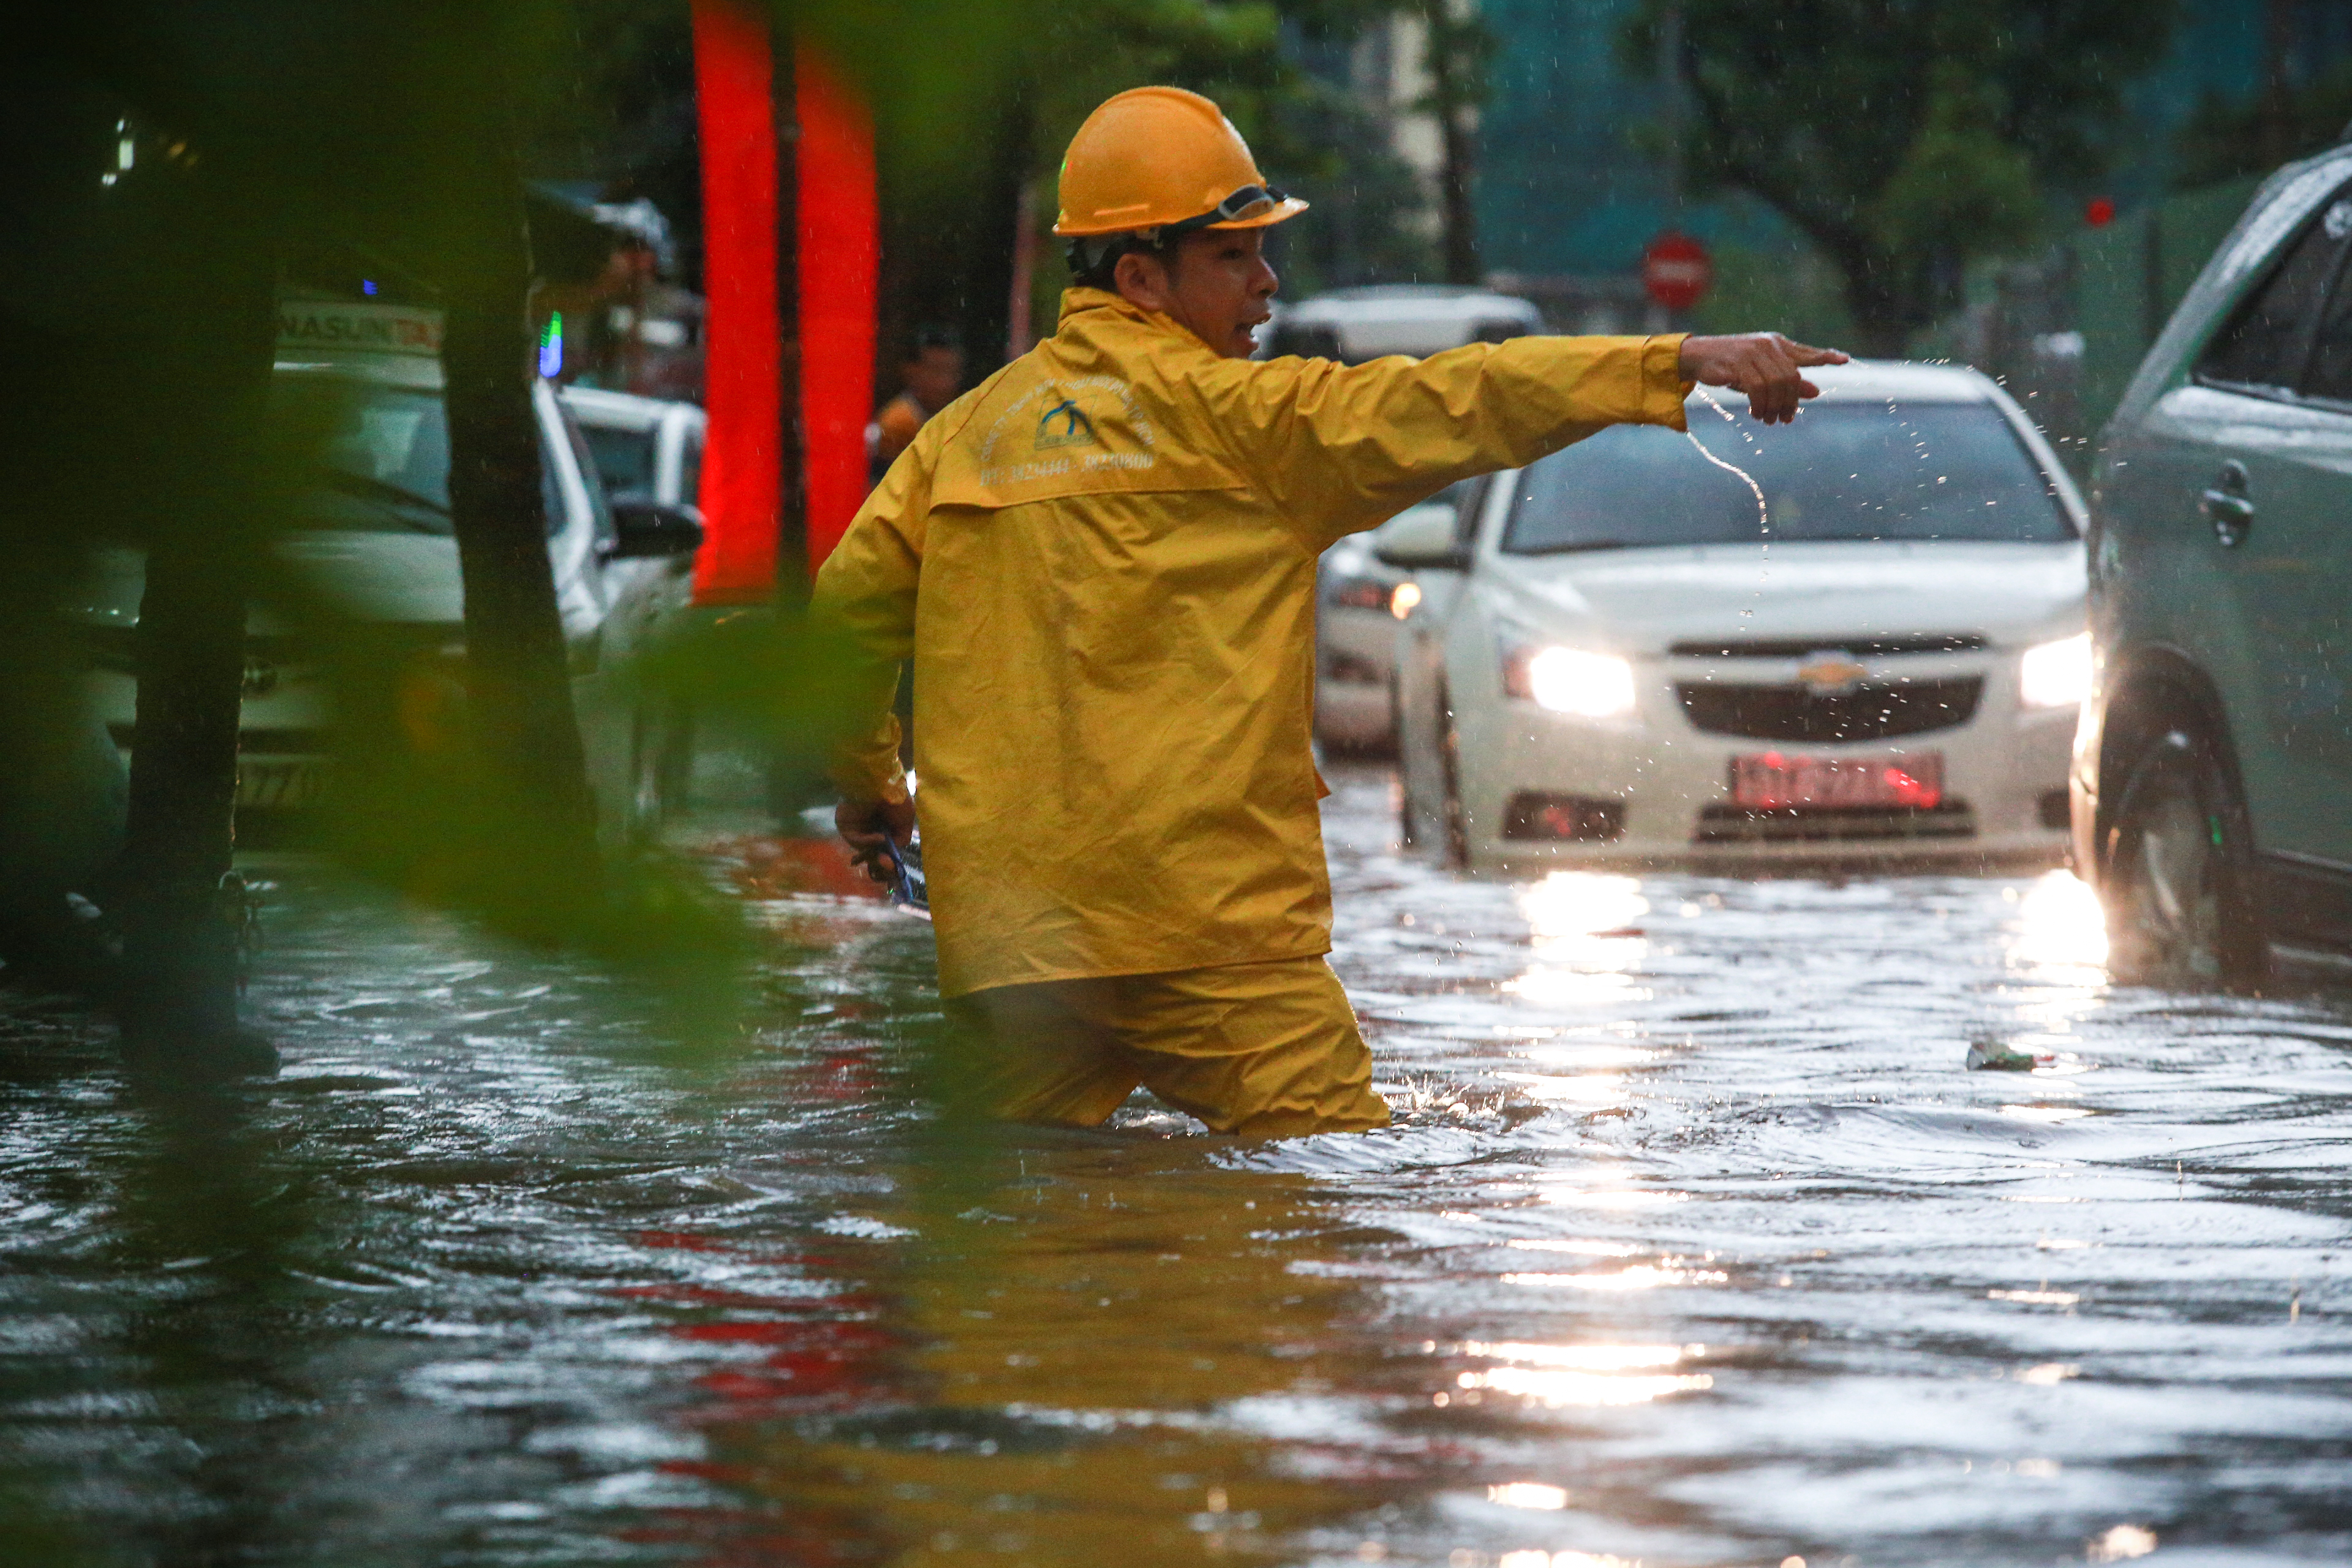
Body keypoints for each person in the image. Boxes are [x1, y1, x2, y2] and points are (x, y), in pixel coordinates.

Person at [815, 86, 1842, 1138]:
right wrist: (1671, 360)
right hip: (1213, 940)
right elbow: (1466, 400)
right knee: (1327, 1214)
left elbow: (844, 618)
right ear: (1138, 276)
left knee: (1006, 1242)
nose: (1267, 283)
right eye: (1233, 257)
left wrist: (874, 796)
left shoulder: (960, 440)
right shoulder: (1255, 424)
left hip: (1016, 954)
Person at [870, 326, 965, 477]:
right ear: (911, 371)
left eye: (952, 372)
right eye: (936, 371)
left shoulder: (954, 415)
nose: (946, 383)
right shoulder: (898, 422)